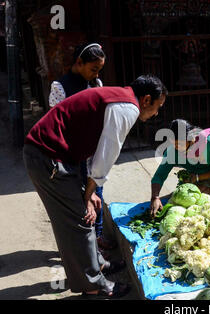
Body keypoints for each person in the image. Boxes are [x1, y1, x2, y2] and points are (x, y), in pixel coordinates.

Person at [23, 74, 167, 297]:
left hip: (57, 155)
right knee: (77, 221)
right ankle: (93, 286)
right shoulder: (127, 108)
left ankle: (97, 265)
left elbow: (93, 147)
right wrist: (89, 193)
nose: (156, 113)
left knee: (87, 215)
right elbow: (105, 158)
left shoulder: (120, 98)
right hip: (47, 157)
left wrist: (88, 192)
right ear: (146, 99)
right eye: (158, 107)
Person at [49, 43, 115, 255]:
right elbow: (57, 122)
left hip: (93, 152)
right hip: (72, 154)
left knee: (97, 194)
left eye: (99, 70)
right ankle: (86, 249)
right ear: (79, 63)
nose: (96, 74)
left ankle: (97, 237)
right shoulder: (60, 87)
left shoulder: (95, 83)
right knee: (80, 203)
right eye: (93, 69)